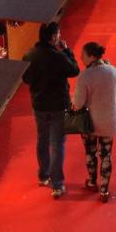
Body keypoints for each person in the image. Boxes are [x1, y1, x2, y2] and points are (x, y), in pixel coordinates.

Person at [21, 22, 80, 198]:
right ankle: (57, 184)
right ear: (53, 37)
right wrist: (67, 51)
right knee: (57, 144)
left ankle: (43, 175)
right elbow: (74, 70)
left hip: (39, 104)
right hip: (57, 105)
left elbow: (25, 78)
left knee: (42, 140)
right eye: (58, 35)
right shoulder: (58, 57)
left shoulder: (29, 55)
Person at [72, 40, 116, 202]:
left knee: (90, 152)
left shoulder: (85, 76)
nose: (80, 57)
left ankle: (93, 182)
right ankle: (104, 190)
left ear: (91, 56)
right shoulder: (112, 70)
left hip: (90, 122)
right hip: (109, 120)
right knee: (106, 155)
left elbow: (78, 103)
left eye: (83, 55)